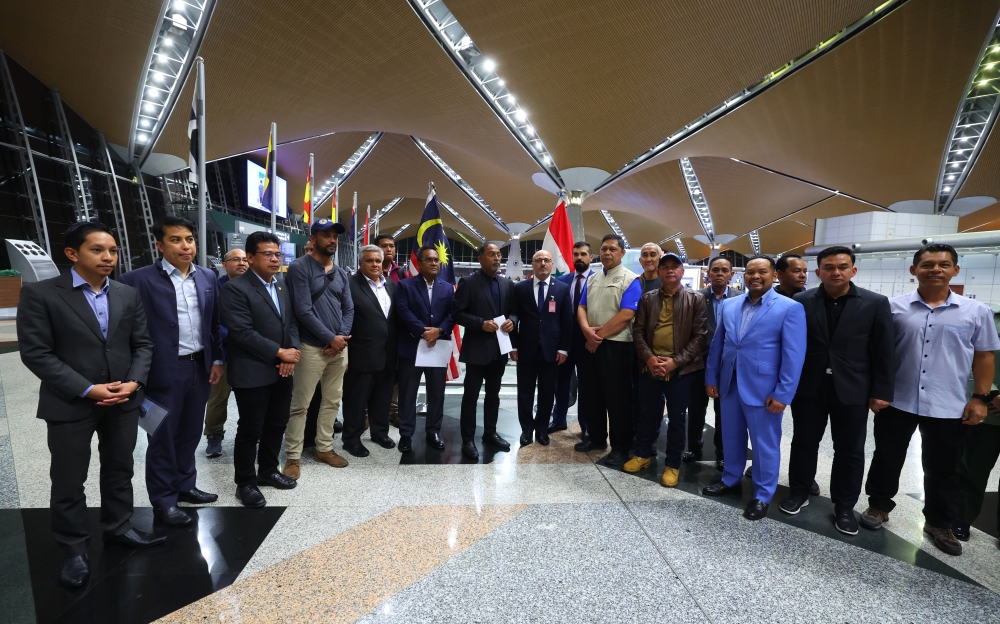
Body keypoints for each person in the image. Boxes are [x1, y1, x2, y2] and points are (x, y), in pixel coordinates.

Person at [18, 221, 162, 588]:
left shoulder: (126, 294)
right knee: (68, 480)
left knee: (119, 470)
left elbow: (142, 344)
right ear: (72, 254)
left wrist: (135, 381)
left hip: (123, 401)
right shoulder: (42, 294)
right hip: (71, 403)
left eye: (112, 250)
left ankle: (119, 528)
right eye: (97, 250)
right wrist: (88, 389)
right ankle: (74, 550)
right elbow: (37, 353)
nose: (108, 257)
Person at [861, 244, 1000, 556]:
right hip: (897, 401)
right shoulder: (892, 307)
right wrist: (876, 390)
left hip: (948, 405)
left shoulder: (976, 312)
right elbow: (878, 354)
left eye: (944, 264)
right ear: (914, 271)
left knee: (943, 468)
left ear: (955, 270)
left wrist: (980, 398)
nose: (935, 269)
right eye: (928, 265)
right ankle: (878, 507)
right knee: (886, 458)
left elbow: (984, 356)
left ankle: (939, 522)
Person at [779, 246, 895, 536]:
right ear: (818, 272)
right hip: (810, 386)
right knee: (804, 442)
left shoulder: (875, 303)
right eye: (829, 267)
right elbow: (790, 345)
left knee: (850, 451)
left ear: (853, 270)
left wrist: (881, 390)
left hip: (853, 388)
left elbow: (884, 351)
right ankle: (799, 492)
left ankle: (844, 506)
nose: (836, 272)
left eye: (842, 267)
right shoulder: (801, 301)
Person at [121, 216, 224, 527]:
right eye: (176, 240)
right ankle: (164, 501)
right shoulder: (135, 280)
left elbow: (214, 324)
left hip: (200, 368)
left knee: (191, 432)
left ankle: (185, 484)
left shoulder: (207, 277)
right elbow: (125, 333)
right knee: (162, 436)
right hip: (161, 372)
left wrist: (217, 360)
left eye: (189, 239)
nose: (185, 245)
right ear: (159, 245)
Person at [703, 255, 806, 520]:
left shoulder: (789, 308)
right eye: (750, 272)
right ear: (742, 275)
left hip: (765, 389)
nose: (755, 276)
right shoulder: (729, 305)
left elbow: (794, 355)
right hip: (729, 384)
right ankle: (730, 479)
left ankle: (762, 494)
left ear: (774, 276)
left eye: (762, 272)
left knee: (764, 444)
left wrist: (783, 394)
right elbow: (719, 345)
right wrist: (711, 377)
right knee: (731, 437)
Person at [221, 231, 301, 508]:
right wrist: (279, 352)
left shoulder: (280, 286)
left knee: (277, 423)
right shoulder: (235, 288)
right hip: (252, 369)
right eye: (268, 254)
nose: (275, 258)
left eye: (278, 254)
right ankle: (245, 482)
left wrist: (289, 355)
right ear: (251, 257)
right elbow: (241, 332)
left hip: (282, 369)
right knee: (250, 428)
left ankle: (268, 471)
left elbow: (290, 323)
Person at [283, 218, 353, 477]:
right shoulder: (299, 268)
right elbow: (302, 310)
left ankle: (324, 448)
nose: (332, 240)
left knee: (332, 401)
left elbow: (349, 308)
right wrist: (329, 338)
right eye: (325, 235)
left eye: (334, 235)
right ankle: (293, 456)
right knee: (300, 404)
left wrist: (341, 338)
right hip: (311, 347)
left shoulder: (341, 272)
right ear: (312, 239)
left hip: (338, 348)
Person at [630, 252, 707, 487]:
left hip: (681, 370)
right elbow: (638, 332)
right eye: (666, 267)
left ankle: (672, 465)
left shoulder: (695, 299)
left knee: (676, 418)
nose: (670, 270)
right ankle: (642, 454)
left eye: (675, 267)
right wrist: (650, 359)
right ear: (660, 272)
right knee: (648, 413)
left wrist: (675, 362)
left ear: (682, 272)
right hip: (651, 366)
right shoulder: (648, 298)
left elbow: (700, 336)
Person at [574, 234, 642, 466]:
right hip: (591, 344)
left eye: (612, 249)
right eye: (604, 249)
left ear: (622, 253)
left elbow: (626, 315)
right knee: (592, 394)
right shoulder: (592, 279)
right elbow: (581, 306)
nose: (607, 253)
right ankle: (596, 438)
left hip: (617, 347)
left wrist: (597, 337)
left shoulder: (631, 279)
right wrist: (586, 331)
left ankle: (621, 448)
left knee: (618, 399)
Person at [453, 242, 517, 460]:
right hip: (477, 350)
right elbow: (457, 313)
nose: (497, 258)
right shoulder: (468, 282)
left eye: (499, 255)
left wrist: (512, 322)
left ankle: (490, 433)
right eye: (492, 254)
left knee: (493, 396)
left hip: (499, 350)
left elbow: (514, 312)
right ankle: (468, 440)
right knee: (470, 397)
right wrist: (480, 323)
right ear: (480, 258)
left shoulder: (507, 284)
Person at [395, 246, 455, 453]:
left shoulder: (448, 288)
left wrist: (439, 331)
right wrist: (423, 331)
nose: (434, 263)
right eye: (429, 260)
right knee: (408, 393)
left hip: (438, 347)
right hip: (412, 347)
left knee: (437, 393)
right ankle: (406, 434)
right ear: (419, 264)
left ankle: (433, 431)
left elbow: (452, 314)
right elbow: (403, 311)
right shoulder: (405, 285)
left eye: (436, 260)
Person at [510, 250, 572, 446]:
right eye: (538, 260)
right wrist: (512, 345)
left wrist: (563, 349)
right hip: (526, 348)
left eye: (546, 260)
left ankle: (542, 430)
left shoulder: (562, 288)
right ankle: (527, 430)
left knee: (547, 392)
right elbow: (513, 316)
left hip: (552, 351)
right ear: (532, 264)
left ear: (552, 264)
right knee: (525, 393)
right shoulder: (520, 288)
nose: (542, 264)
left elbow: (567, 321)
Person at [342, 245, 398, 456]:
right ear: (360, 263)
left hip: (387, 354)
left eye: (378, 260)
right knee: (356, 400)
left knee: (383, 397)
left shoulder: (391, 286)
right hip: (360, 353)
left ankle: (380, 432)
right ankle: (351, 438)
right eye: (369, 261)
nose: (375, 264)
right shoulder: (350, 285)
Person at [685, 256, 737, 469]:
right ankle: (694, 448)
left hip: (728, 366)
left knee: (724, 411)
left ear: (731, 274)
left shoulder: (740, 298)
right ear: (708, 273)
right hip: (699, 363)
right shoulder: (696, 297)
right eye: (715, 269)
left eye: (724, 270)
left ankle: (723, 453)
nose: (719, 273)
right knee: (696, 409)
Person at [953, 319, 1000, 543]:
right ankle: (961, 518)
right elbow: (970, 356)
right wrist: (990, 394)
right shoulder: (989, 317)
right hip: (989, 411)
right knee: (972, 468)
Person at [204, 248, 248, 457]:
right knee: (218, 398)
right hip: (224, 353)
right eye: (236, 260)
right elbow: (213, 323)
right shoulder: (215, 289)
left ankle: (250, 435)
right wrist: (239, 335)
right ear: (225, 264)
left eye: (245, 260)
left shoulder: (254, 287)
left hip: (249, 355)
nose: (241, 263)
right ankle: (214, 435)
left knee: (249, 399)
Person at [552, 242, 595, 438]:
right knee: (561, 383)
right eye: (576, 254)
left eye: (583, 254)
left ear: (591, 257)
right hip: (565, 342)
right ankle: (559, 419)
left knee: (587, 385)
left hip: (588, 341)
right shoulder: (563, 281)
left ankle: (585, 425)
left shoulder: (598, 280)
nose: (579, 257)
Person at [632, 243, 664, 447]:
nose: (649, 258)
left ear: (660, 258)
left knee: (655, 398)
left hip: (657, 350)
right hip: (633, 347)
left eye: (653, 254)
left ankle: (651, 438)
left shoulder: (666, 283)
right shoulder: (635, 283)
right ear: (640, 260)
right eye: (645, 255)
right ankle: (636, 433)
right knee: (635, 394)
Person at [375, 233, 405, 426]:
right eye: (384, 246)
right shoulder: (367, 272)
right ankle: (369, 413)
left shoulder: (401, 273)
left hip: (396, 333)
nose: (389, 249)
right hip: (374, 335)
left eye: (392, 246)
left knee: (395, 376)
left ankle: (393, 411)